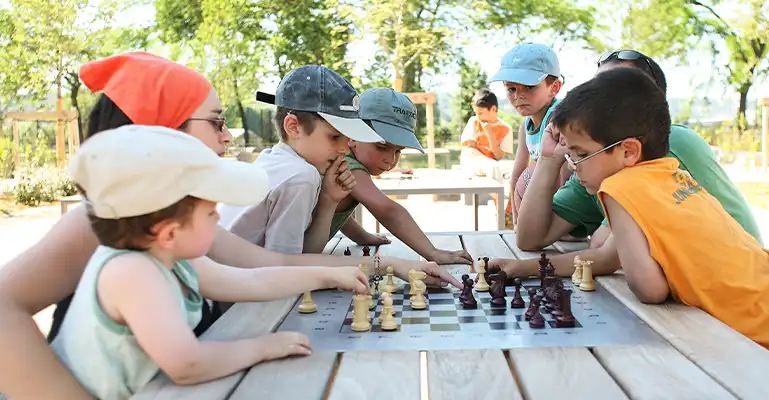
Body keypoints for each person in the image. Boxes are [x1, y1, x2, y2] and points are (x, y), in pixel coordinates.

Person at [0, 52, 460, 400]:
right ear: (159, 130)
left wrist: (382, 264)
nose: (226, 136)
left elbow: (265, 265)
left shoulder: (172, 220)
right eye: (216, 122)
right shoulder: (98, 223)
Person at [53, 125, 371, 399]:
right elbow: (187, 365)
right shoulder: (132, 273)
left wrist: (329, 275)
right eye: (210, 213)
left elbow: (252, 280)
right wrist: (264, 347)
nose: (218, 217)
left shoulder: (170, 259)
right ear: (168, 232)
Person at [552, 67, 769, 366]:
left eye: (580, 155)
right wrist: (521, 268)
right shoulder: (670, 172)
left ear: (628, 151)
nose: (573, 166)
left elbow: (650, 289)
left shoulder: (618, 186)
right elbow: (605, 258)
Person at [499, 50, 763, 278]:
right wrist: (548, 159)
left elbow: (606, 252)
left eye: (613, 96)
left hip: (741, 290)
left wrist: (527, 268)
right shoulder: (595, 162)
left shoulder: (668, 146)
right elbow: (529, 238)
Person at [218, 65, 385, 256]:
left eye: (347, 139)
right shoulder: (301, 176)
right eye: (335, 137)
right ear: (293, 127)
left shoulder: (274, 160)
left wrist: (329, 201)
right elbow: (285, 269)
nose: (345, 149)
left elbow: (298, 258)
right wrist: (383, 266)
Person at [327, 88, 473, 265]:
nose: (390, 159)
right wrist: (432, 252)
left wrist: (363, 237)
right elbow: (388, 211)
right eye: (381, 147)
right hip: (293, 261)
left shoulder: (347, 161)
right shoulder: (346, 165)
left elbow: (337, 211)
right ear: (353, 134)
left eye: (398, 151)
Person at [487, 42, 568, 224]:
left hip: (570, 203)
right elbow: (517, 172)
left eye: (529, 87)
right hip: (547, 196)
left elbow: (565, 174)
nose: (518, 96)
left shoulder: (559, 119)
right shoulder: (526, 125)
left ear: (554, 88)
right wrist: (517, 219)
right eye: (511, 89)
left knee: (533, 175)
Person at [459, 88, 513, 183]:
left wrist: (490, 134)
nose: (478, 116)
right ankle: (497, 197)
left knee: (514, 167)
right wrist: (487, 160)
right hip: (473, 161)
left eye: (480, 113)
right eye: (476, 113)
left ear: (493, 109)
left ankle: (510, 196)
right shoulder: (474, 121)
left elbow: (499, 156)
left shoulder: (506, 129)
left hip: (493, 162)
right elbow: (470, 150)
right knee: (493, 167)